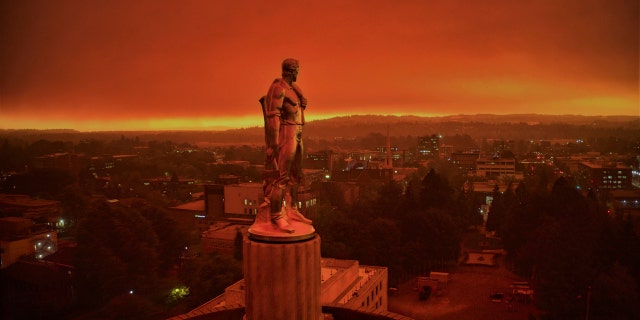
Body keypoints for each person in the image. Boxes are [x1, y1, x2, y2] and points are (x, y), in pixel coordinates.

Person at [260, 58, 312, 232]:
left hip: (298, 133)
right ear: (292, 70)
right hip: (287, 133)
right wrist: (273, 143)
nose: (298, 73)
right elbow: (272, 116)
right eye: (297, 70)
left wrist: (303, 101)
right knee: (281, 177)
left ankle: (293, 209)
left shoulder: (293, 89)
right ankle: (276, 215)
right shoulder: (278, 88)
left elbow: (297, 107)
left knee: (296, 175)